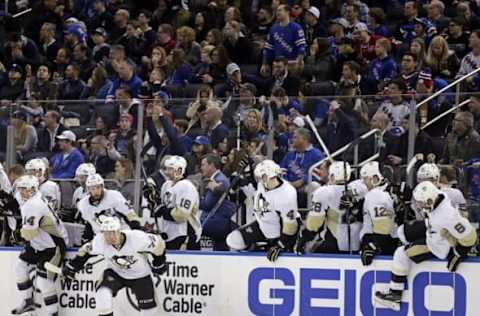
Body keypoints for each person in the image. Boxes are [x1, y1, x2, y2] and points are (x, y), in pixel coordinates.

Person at [375, 181, 477, 311]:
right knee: (401, 232)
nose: (418, 205)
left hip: (437, 246)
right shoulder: (438, 197)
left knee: (400, 254)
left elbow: (470, 236)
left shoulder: (448, 216)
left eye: (421, 203)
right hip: (433, 230)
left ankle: (394, 294)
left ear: (429, 201)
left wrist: (459, 252)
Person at [63, 217, 166, 316]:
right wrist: (73, 266)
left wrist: (159, 262)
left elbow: (158, 244)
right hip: (116, 273)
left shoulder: (137, 238)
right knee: (102, 293)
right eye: (107, 233)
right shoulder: (100, 241)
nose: (111, 237)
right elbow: (85, 251)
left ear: (119, 230)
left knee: (150, 311)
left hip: (140, 275)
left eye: (114, 232)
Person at [11, 175, 68, 315]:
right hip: (38, 244)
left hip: (53, 246)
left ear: (33, 189)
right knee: (20, 267)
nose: (21, 192)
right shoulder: (30, 198)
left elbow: (28, 234)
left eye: (25, 189)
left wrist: (16, 234)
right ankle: (28, 302)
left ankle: (53, 313)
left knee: (44, 282)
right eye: (20, 189)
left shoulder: (34, 204)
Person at [226, 159, 300, 262]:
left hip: (279, 232)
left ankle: (265, 247)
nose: (259, 180)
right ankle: (257, 247)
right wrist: (242, 171)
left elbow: (290, 226)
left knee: (278, 259)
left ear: (266, 176)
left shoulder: (287, 194)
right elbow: (250, 181)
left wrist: (280, 245)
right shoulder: (263, 183)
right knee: (233, 239)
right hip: (262, 225)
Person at [295, 161, 367, 254]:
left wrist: (304, 238)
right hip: (358, 243)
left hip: (335, 243)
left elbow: (314, 224)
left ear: (332, 176)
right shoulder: (361, 187)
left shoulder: (324, 192)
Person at [77, 173, 142, 243]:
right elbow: (89, 224)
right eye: (92, 188)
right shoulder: (83, 205)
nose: (96, 191)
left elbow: (129, 214)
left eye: (98, 187)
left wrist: (137, 232)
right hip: (102, 239)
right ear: (88, 189)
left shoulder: (114, 196)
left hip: (121, 234)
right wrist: (86, 239)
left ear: (102, 186)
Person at [155, 156, 201, 249]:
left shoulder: (187, 187)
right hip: (168, 234)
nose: (167, 172)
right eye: (167, 168)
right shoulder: (166, 185)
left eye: (170, 169)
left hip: (185, 234)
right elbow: (161, 206)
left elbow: (181, 215)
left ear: (180, 170)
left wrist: (162, 211)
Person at [358, 162, 398, 265]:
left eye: (365, 179)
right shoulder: (385, 191)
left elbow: (383, 228)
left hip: (380, 243)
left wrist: (372, 246)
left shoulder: (376, 195)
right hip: (389, 242)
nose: (363, 182)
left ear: (375, 179)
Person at [200, 153, 236, 251]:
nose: (201, 167)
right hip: (218, 221)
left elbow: (207, 204)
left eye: (203, 165)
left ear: (211, 165)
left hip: (218, 222)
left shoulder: (220, 180)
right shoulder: (216, 179)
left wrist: (195, 200)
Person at [261, 4, 306, 76]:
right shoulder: (273, 28)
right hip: (277, 65)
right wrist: (264, 63)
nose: (277, 13)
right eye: (276, 11)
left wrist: (299, 62)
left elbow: (301, 47)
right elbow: (268, 48)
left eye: (280, 10)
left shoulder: (296, 28)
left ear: (287, 12)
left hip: (291, 63)